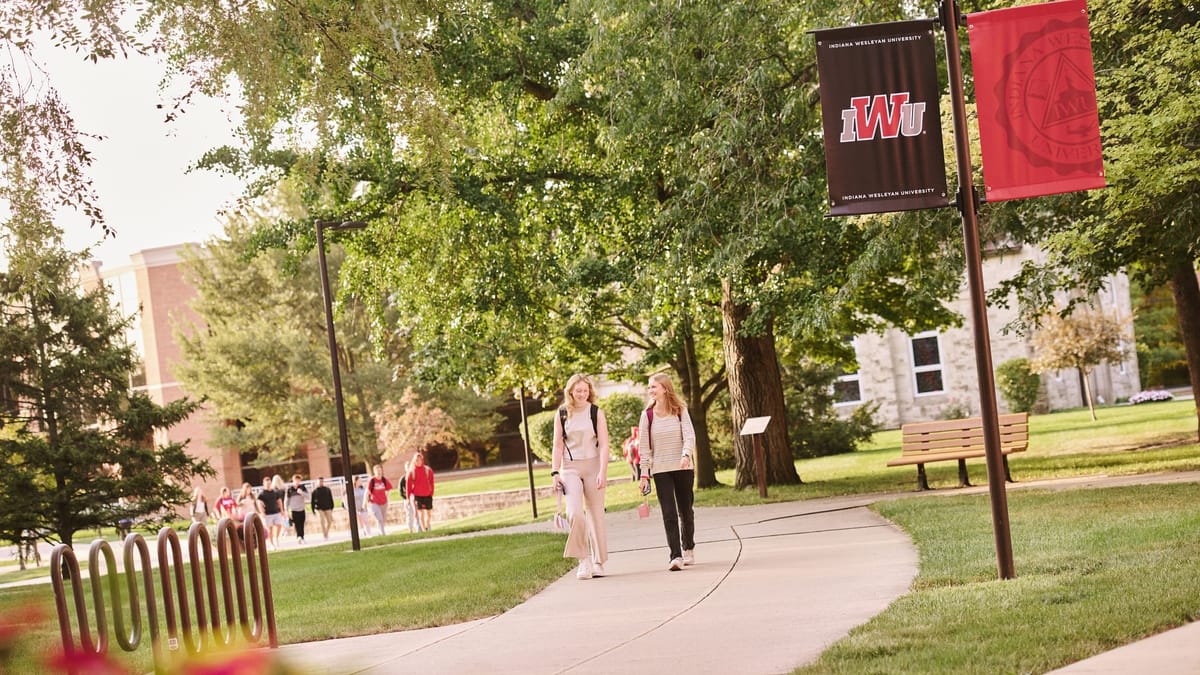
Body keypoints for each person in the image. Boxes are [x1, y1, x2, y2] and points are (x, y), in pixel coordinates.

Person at [551, 373, 610, 580]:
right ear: (571, 392)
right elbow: (557, 445)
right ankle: (582, 560)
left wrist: (603, 472)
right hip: (570, 468)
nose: (582, 394)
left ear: (589, 392)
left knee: (595, 515)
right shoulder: (562, 414)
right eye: (578, 391)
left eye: (585, 390)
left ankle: (598, 562)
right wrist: (555, 472)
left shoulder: (596, 412)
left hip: (593, 466)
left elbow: (604, 445)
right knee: (575, 513)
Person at [639, 372, 698, 571]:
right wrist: (644, 474)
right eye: (649, 387)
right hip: (660, 469)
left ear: (665, 388)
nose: (650, 390)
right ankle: (675, 556)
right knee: (669, 513)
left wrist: (686, 455)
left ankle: (688, 547)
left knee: (685, 510)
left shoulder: (680, 410)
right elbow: (644, 448)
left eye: (654, 386)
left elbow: (689, 435)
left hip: (683, 467)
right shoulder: (647, 415)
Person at [406, 452, 435, 532]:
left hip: (427, 494)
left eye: (420, 460)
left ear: (422, 460)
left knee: (428, 514)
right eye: (416, 460)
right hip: (417, 495)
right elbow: (408, 486)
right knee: (421, 513)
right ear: (414, 461)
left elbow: (432, 482)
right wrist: (408, 498)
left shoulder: (428, 470)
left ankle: (426, 525)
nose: (418, 461)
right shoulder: (412, 472)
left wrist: (431, 492)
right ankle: (424, 529)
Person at [257, 475, 287, 550]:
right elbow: (259, 503)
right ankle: (271, 544)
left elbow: (279, 501)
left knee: (279, 525)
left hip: (276, 512)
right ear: (263, 484)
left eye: (269, 483)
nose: (268, 484)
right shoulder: (262, 494)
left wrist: (282, 510)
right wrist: (262, 512)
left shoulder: (275, 492)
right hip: (267, 514)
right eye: (266, 483)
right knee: (269, 529)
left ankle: (276, 539)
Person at [366, 465, 393, 536]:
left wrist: (387, 497)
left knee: (383, 519)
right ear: (374, 472)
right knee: (379, 518)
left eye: (380, 470)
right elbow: (367, 492)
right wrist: (364, 503)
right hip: (374, 503)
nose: (379, 472)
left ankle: (380, 532)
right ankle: (383, 533)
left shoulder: (384, 480)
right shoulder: (372, 481)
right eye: (377, 471)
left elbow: (389, 489)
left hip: (384, 503)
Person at [286, 474, 309, 544]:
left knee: (302, 524)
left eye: (298, 480)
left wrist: (302, 493)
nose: (297, 482)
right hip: (294, 510)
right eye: (296, 480)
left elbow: (308, 496)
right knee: (297, 524)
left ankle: (302, 537)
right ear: (293, 480)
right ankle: (299, 537)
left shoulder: (302, 487)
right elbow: (287, 500)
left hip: (301, 509)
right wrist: (286, 509)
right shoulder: (290, 489)